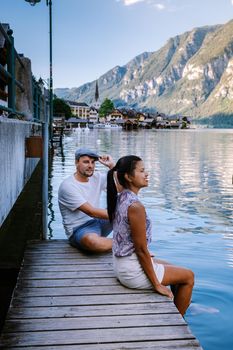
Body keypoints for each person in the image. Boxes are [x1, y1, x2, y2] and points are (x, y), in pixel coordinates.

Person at [107, 155, 194, 316]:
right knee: (188, 276)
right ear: (128, 177)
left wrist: (113, 167)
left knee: (172, 267)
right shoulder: (135, 206)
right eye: (141, 171)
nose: (146, 173)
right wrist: (156, 284)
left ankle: (179, 303)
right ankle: (179, 321)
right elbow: (141, 250)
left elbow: (117, 179)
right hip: (132, 272)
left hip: (122, 265)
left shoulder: (121, 196)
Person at [58, 148, 115, 253]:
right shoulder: (68, 186)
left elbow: (120, 186)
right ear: (76, 162)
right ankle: (129, 243)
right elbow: (91, 212)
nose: (90, 166)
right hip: (80, 229)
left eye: (93, 162)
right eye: (86, 162)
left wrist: (112, 166)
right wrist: (122, 215)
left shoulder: (97, 177)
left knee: (126, 204)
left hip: (99, 222)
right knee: (93, 242)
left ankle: (134, 242)